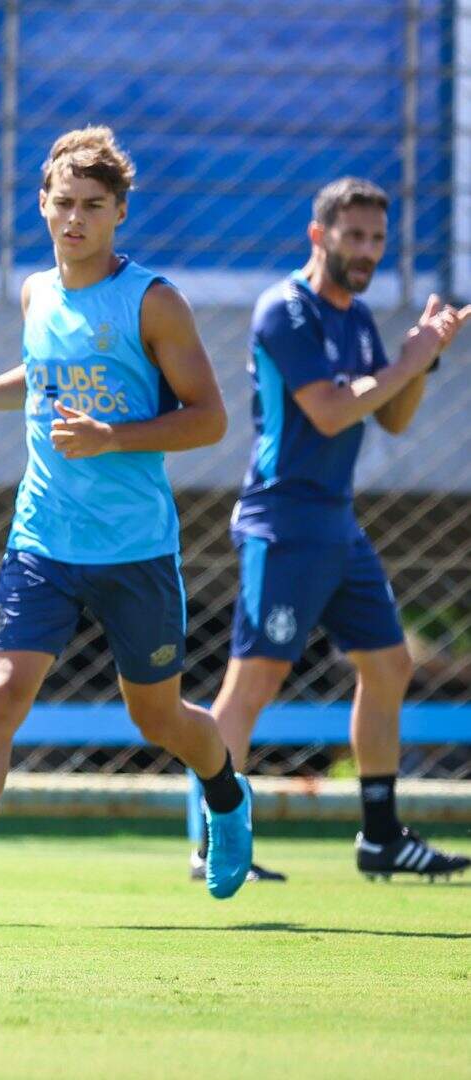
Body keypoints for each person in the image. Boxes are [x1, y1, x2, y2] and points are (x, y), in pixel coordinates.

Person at [0, 127, 253, 924]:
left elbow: (209, 419)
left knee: (157, 717)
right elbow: (40, 377)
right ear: (42, 204)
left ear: (120, 212)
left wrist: (112, 437)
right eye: (63, 203)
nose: (75, 219)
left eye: (93, 206)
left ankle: (227, 799)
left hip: (134, 550)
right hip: (42, 542)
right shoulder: (37, 293)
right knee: (0, 691)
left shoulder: (154, 302)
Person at [186, 178, 471, 883]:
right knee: (253, 683)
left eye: (378, 239)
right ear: (319, 236)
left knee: (389, 664)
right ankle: (210, 845)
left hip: (336, 523)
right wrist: (406, 363)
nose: (368, 251)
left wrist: (424, 357)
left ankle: (381, 837)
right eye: (355, 236)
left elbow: (392, 417)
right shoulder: (285, 310)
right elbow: (330, 411)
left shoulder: (359, 319)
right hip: (282, 523)